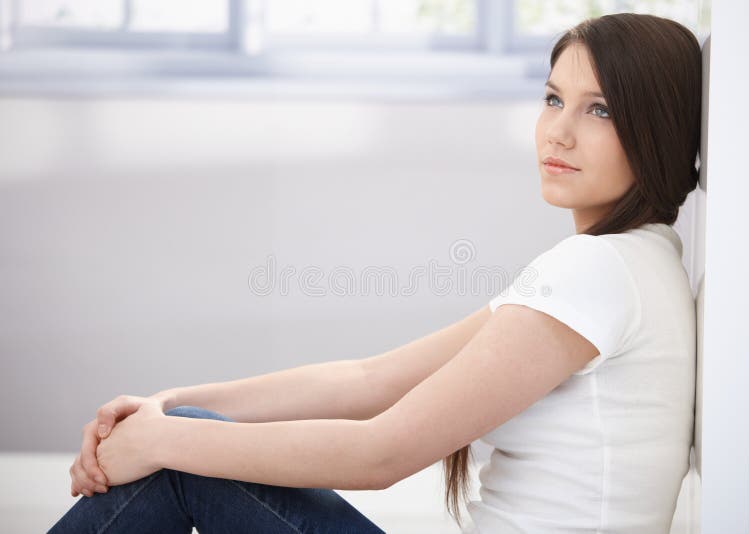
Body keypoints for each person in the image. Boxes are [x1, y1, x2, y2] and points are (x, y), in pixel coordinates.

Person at [49, 11, 701, 534]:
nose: (556, 132)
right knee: (187, 438)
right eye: (554, 98)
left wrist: (165, 442)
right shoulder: (634, 263)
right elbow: (373, 380)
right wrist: (165, 407)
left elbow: (380, 454)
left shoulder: (596, 273)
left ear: (657, 127)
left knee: (180, 463)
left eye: (600, 110)